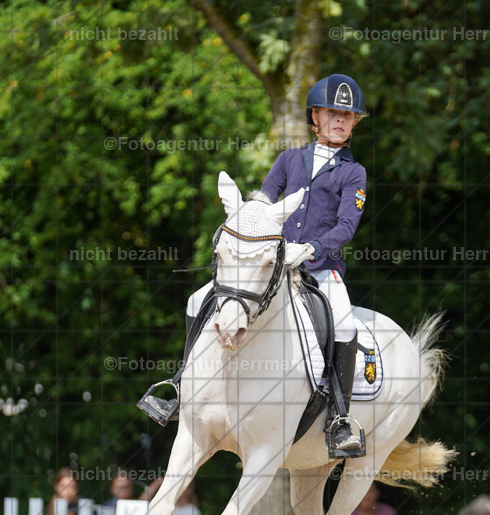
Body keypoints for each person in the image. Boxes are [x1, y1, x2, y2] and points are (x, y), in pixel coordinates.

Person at [140, 74, 369, 458]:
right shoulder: (289, 159)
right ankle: (179, 386)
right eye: (333, 112)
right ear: (315, 116)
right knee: (199, 300)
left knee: (343, 321)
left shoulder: (353, 172)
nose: (341, 120)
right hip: (271, 267)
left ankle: (339, 420)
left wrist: (311, 248)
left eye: (348, 116)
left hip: (318, 269)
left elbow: (347, 226)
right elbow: (262, 202)